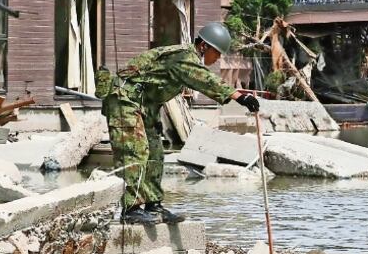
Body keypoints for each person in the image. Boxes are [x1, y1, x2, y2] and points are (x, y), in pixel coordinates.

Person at [96, 22, 260, 224]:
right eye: (216, 53)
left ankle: (153, 205)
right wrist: (239, 96)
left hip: (145, 105)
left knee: (155, 153)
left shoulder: (188, 59)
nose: (217, 58)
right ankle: (131, 209)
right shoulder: (183, 56)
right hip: (124, 101)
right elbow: (204, 79)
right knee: (135, 151)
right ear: (203, 46)